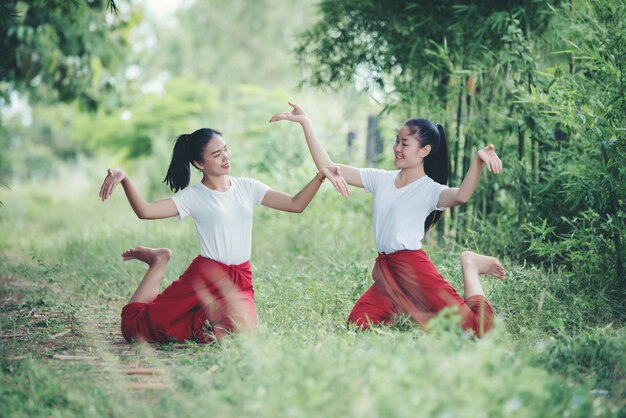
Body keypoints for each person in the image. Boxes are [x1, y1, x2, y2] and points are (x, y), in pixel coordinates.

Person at [270, 103, 505, 337]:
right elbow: (329, 167)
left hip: (414, 269)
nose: (397, 148)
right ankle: (405, 306)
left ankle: (471, 264)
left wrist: (478, 161)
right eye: (397, 141)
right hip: (387, 270)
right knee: (358, 324)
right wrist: (305, 123)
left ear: (424, 151)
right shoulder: (381, 179)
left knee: (478, 332)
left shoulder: (430, 190)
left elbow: (462, 196)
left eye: (405, 143)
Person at [99, 127, 343, 343]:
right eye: (216, 155)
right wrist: (125, 179)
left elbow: (294, 204)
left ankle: (205, 318)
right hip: (205, 276)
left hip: (240, 277)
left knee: (238, 333)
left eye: (225, 150)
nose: (225, 157)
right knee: (135, 330)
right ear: (199, 163)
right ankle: (158, 261)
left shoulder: (247, 186)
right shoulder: (194, 196)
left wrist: (320, 176)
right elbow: (146, 211)